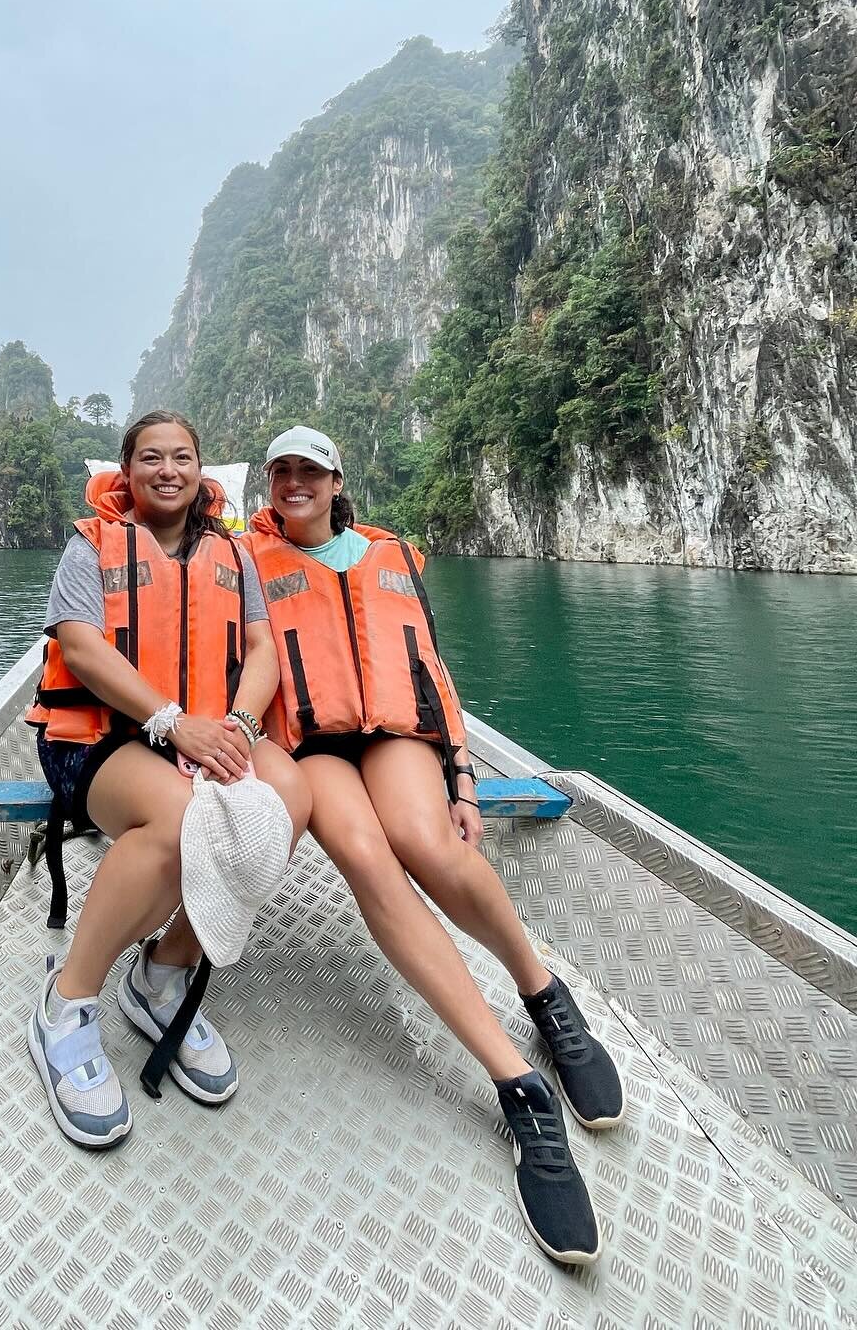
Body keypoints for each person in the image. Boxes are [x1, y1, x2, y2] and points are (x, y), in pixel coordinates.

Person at [245, 426, 624, 1268]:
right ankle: (518, 1088)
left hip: (398, 734)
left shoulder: (390, 556)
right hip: (311, 744)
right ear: (268, 484)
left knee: (429, 844)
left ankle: (542, 991)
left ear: (338, 478)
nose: (295, 482)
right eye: (281, 471)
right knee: (372, 863)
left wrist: (462, 777)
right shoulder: (246, 558)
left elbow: (432, 671)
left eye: (310, 469)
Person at [26, 410, 311, 1148]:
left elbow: (261, 650)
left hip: (206, 733)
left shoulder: (232, 554)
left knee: (289, 797)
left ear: (200, 471)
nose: (167, 470)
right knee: (185, 819)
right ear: (125, 472)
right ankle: (67, 1000)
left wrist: (240, 727)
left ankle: (162, 972)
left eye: (181, 457)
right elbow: (83, 650)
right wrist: (171, 724)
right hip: (99, 739)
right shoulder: (91, 546)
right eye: (150, 457)